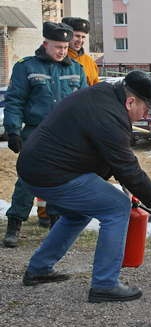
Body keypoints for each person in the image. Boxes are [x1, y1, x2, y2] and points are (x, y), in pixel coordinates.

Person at [17, 70, 151, 303]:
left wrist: (127, 182)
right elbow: (128, 168)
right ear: (130, 101)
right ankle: (105, 284)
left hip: (38, 167)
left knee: (79, 213)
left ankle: (39, 268)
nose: (146, 115)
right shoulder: (109, 116)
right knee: (117, 207)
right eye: (146, 109)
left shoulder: (105, 96)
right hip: (49, 172)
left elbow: (106, 156)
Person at [2, 22, 87, 248]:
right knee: (27, 180)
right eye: (57, 46)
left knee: (61, 181)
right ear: (45, 43)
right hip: (36, 133)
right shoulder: (26, 67)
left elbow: (85, 107)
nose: (61, 51)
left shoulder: (76, 70)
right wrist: (12, 130)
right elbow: (14, 100)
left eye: (65, 46)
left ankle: (56, 225)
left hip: (65, 137)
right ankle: (15, 223)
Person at [61, 17, 99, 86]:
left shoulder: (89, 61)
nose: (80, 40)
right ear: (67, 36)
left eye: (83, 37)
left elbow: (95, 87)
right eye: (77, 36)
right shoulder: (58, 58)